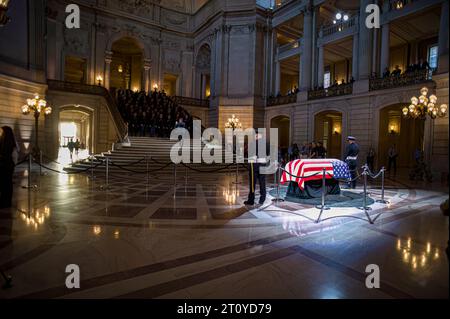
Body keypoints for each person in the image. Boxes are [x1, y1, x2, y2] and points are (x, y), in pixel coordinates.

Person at [244, 133, 267, 206]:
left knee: (252, 184)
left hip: (254, 166)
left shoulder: (253, 143)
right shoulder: (265, 144)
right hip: (262, 165)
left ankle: (251, 200)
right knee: (262, 183)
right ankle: (262, 199)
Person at [0, 126, 19, 208]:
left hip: (7, 165)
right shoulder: (2, 141)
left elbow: (14, 155)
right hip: (3, 165)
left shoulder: (11, 142)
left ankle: (6, 202)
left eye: (2, 132)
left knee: (7, 184)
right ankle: (3, 201)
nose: (1, 133)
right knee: (4, 184)